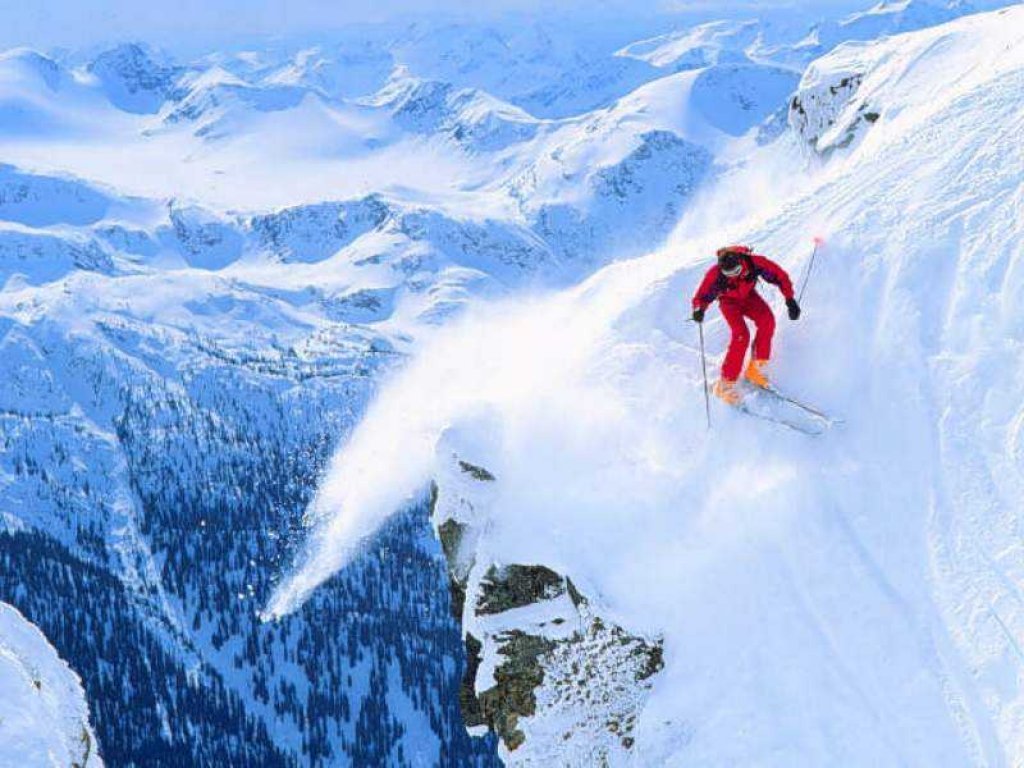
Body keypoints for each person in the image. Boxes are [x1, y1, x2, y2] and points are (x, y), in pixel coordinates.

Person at [691, 245, 800, 405]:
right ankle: (725, 383)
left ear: (741, 262)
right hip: (728, 303)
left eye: (736, 272)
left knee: (767, 321)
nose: (733, 276)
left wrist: (790, 300)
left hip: (749, 297)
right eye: (728, 274)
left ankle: (756, 368)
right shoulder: (715, 274)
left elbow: (779, 276)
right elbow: (702, 295)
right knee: (741, 335)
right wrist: (699, 309)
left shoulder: (754, 263)